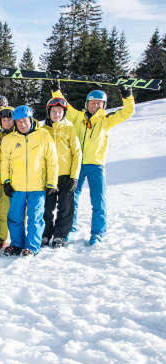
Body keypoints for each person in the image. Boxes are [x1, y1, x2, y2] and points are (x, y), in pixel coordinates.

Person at [52, 80, 135, 245]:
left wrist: (127, 95)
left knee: (98, 200)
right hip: (76, 165)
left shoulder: (107, 120)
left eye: (99, 103)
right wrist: (56, 89)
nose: (95, 106)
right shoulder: (77, 117)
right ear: (87, 104)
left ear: (104, 105)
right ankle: (70, 230)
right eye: (93, 103)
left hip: (96, 165)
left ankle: (97, 233)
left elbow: (128, 112)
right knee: (71, 199)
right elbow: (63, 104)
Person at [0, 106, 59, 257]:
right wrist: (6, 181)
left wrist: (52, 183)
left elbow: (52, 161)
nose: (22, 124)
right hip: (17, 187)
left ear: (31, 119)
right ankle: (17, 244)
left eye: (24, 120)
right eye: (18, 122)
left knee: (35, 218)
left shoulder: (43, 136)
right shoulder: (9, 140)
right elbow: (4, 163)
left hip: (37, 187)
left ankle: (32, 246)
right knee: (15, 218)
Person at [41, 98, 82, 248]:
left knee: (65, 207)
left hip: (66, 175)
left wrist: (74, 176)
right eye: (54, 111)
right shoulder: (43, 130)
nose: (56, 114)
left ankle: (60, 235)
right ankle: (45, 234)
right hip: (48, 176)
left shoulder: (69, 128)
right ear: (48, 112)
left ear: (64, 113)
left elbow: (77, 153)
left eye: (60, 112)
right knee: (47, 207)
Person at [0, 106, 15, 255]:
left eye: (9, 120)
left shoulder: (20, 135)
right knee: (2, 210)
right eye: (4, 120)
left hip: (18, 178)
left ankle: (18, 238)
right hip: (3, 178)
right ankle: (1, 237)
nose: (6, 123)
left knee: (19, 212)